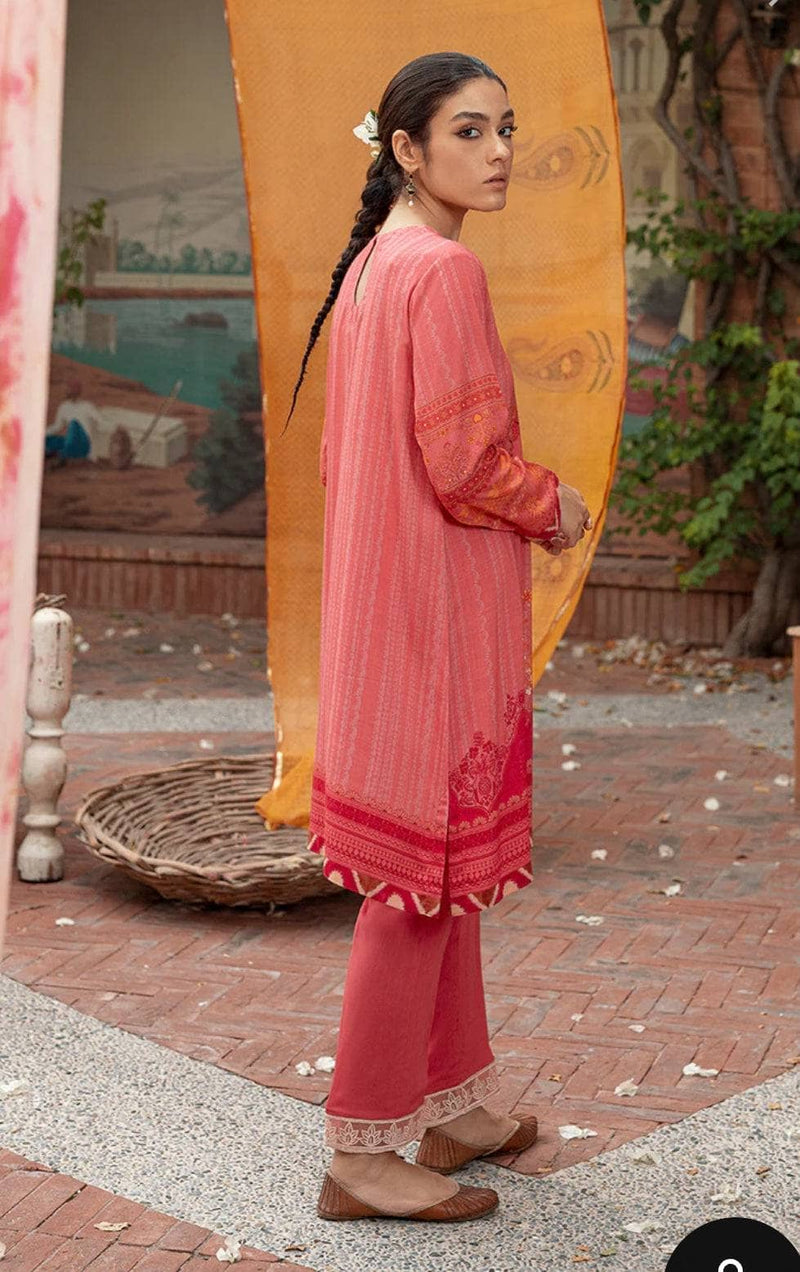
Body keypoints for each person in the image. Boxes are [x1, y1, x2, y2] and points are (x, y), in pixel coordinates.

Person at [285, 52, 592, 1223]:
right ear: (406, 150)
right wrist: (553, 505)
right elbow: (464, 464)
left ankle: (451, 1103)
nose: (499, 151)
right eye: (469, 131)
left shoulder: (378, 261)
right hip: (429, 624)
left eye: (504, 128)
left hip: (388, 615)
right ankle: (361, 1154)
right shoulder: (440, 269)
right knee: (415, 886)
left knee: (440, 871)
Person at [45, 378, 96, 465]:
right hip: (70, 441)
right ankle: (58, 452)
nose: (68, 391)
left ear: (78, 391)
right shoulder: (64, 407)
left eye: (72, 388)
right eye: (68, 388)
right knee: (48, 440)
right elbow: (57, 426)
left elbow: (100, 421)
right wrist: (41, 434)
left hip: (83, 444)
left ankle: (61, 454)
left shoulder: (87, 406)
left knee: (74, 424)